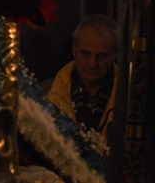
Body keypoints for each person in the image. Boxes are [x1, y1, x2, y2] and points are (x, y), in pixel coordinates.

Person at [46, 13, 120, 141]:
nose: (92, 64)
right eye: (85, 54)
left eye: (101, 56)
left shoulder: (129, 96)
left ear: (115, 54)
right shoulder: (48, 94)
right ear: (74, 49)